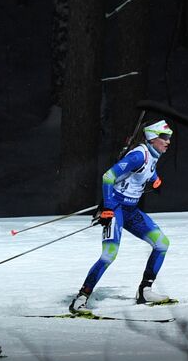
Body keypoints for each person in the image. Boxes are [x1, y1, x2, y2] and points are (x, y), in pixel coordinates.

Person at [69, 119, 175, 314]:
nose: (168, 141)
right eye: (165, 137)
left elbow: (146, 171)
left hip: (131, 210)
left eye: (169, 137)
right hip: (116, 207)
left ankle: (145, 290)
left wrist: (155, 179)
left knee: (162, 244)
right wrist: (108, 207)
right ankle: (80, 299)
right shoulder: (137, 155)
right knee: (109, 254)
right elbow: (108, 176)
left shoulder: (154, 154)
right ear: (153, 138)